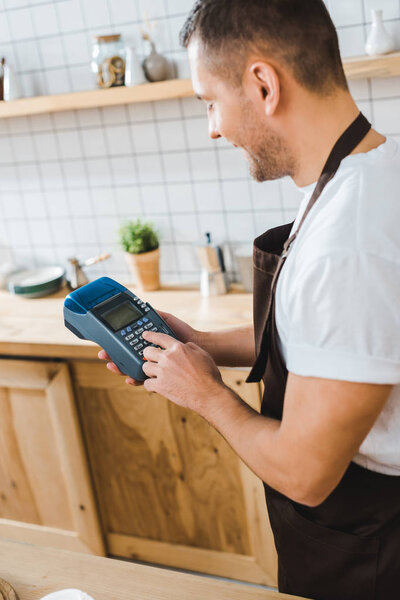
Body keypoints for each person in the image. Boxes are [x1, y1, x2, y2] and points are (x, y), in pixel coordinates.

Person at [99, 1, 400, 598]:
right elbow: (332, 337)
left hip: (367, 548)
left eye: (210, 101)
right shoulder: (368, 171)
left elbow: (306, 474)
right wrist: (203, 344)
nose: (213, 127)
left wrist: (205, 395)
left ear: (263, 85)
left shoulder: (348, 243)